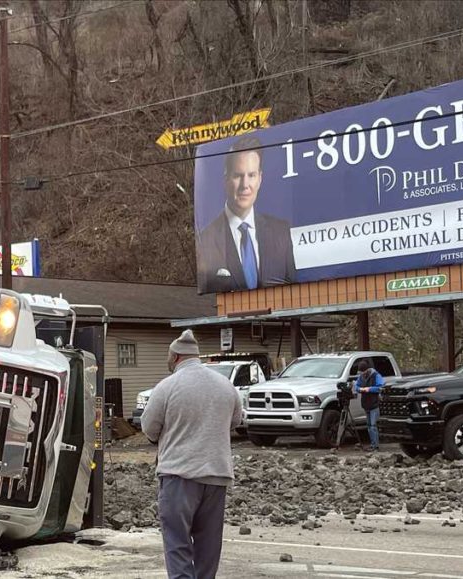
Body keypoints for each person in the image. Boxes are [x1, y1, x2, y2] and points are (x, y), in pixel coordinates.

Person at [141, 330, 243, 579]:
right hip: (216, 476)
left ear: (175, 356)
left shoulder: (167, 386)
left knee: (178, 544)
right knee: (208, 548)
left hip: (179, 475)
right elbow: (236, 421)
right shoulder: (225, 385)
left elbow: (149, 428)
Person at [197, 135, 296, 293]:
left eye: (251, 175)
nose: (245, 185)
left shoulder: (280, 233)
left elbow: (293, 292)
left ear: (260, 179)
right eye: (238, 175)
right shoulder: (207, 239)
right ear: (226, 180)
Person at [354, 360, 384, 451]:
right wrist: (361, 389)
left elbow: (380, 387)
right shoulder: (361, 377)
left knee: (373, 425)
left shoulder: (376, 376)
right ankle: (372, 444)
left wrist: (369, 389)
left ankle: (375, 446)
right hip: (365, 404)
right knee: (369, 425)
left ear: (367, 370)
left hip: (374, 404)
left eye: (363, 372)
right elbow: (356, 387)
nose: (362, 374)